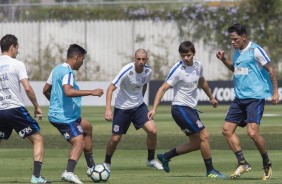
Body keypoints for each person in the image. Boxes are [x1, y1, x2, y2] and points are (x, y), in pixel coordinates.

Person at [148, 41, 224, 178]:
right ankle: (210, 171)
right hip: (180, 108)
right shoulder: (177, 69)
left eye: (188, 55)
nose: (186, 58)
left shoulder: (198, 65)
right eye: (183, 55)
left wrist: (211, 97)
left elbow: (202, 82)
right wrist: (154, 109)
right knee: (204, 135)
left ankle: (165, 156)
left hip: (190, 109)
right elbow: (162, 88)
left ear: (193, 53)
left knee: (196, 144)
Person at [216, 23, 279, 180]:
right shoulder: (237, 51)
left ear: (244, 37)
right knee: (226, 130)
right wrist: (224, 59)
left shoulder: (255, 50)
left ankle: (267, 163)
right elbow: (235, 69)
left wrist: (275, 91)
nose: (232, 42)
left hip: (254, 98)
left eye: (235, 39)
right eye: (231, 39)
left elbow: (271, 69)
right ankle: (242, 162)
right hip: (239, 99)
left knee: (252, 133)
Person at [43, 44, 104, 184]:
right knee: (79, 141)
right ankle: (69, 172)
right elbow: (68, 91)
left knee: (87, 127)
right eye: (82, 59)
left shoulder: (57, 69)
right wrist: (92, 92)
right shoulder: (68, 72)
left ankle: (91, 167)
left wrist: (55, 104)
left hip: (66, 115)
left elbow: (45, 89)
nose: (82, 62)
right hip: (64, 118)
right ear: (76, 57)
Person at [0, 34, 51, 184]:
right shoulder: (17, 64)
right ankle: (36, 177)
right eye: (17, 48)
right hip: (15, 109)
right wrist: (37, 107)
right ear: (12, 47)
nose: (18, 51)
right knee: (38, 139)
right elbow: (28, 89)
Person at [103, 48, 163, 171]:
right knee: (115, 139)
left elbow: (144, 83)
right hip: (122, 108)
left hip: (139, 107)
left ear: (147, 59)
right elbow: (110, 88)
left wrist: (141, 98)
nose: (141, 61)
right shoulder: (126, 70)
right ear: (134, 59)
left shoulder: (148, 71)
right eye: (138, 59)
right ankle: (107, 163)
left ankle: (151, 160)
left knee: (153, 131)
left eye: (143, 59)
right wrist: (108, 110)